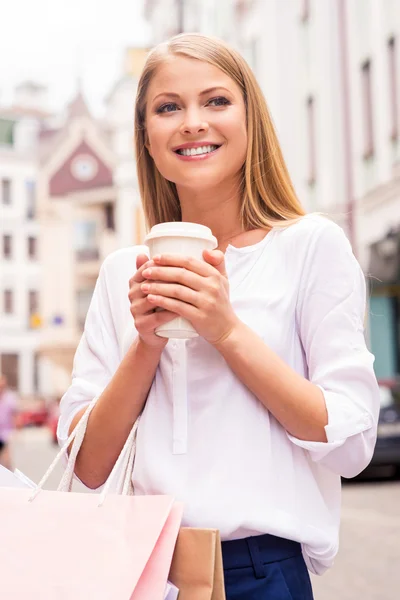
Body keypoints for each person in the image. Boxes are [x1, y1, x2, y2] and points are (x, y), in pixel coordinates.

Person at [58, 33, 380, 599]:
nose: (191, 122)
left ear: (250, 121)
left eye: (216, 101)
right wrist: (148, 343)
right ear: (147, 141)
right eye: (167, 108)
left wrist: (225, 329)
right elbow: (85, 466)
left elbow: (351, 443)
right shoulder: (119, 275)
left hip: (263, 572)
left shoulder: (310, 247)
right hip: (141, 571)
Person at [0, 374, 18, 470]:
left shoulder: (10, 397)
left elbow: (15, 414)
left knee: (6, 461)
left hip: (6, 433)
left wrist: (17, 429)